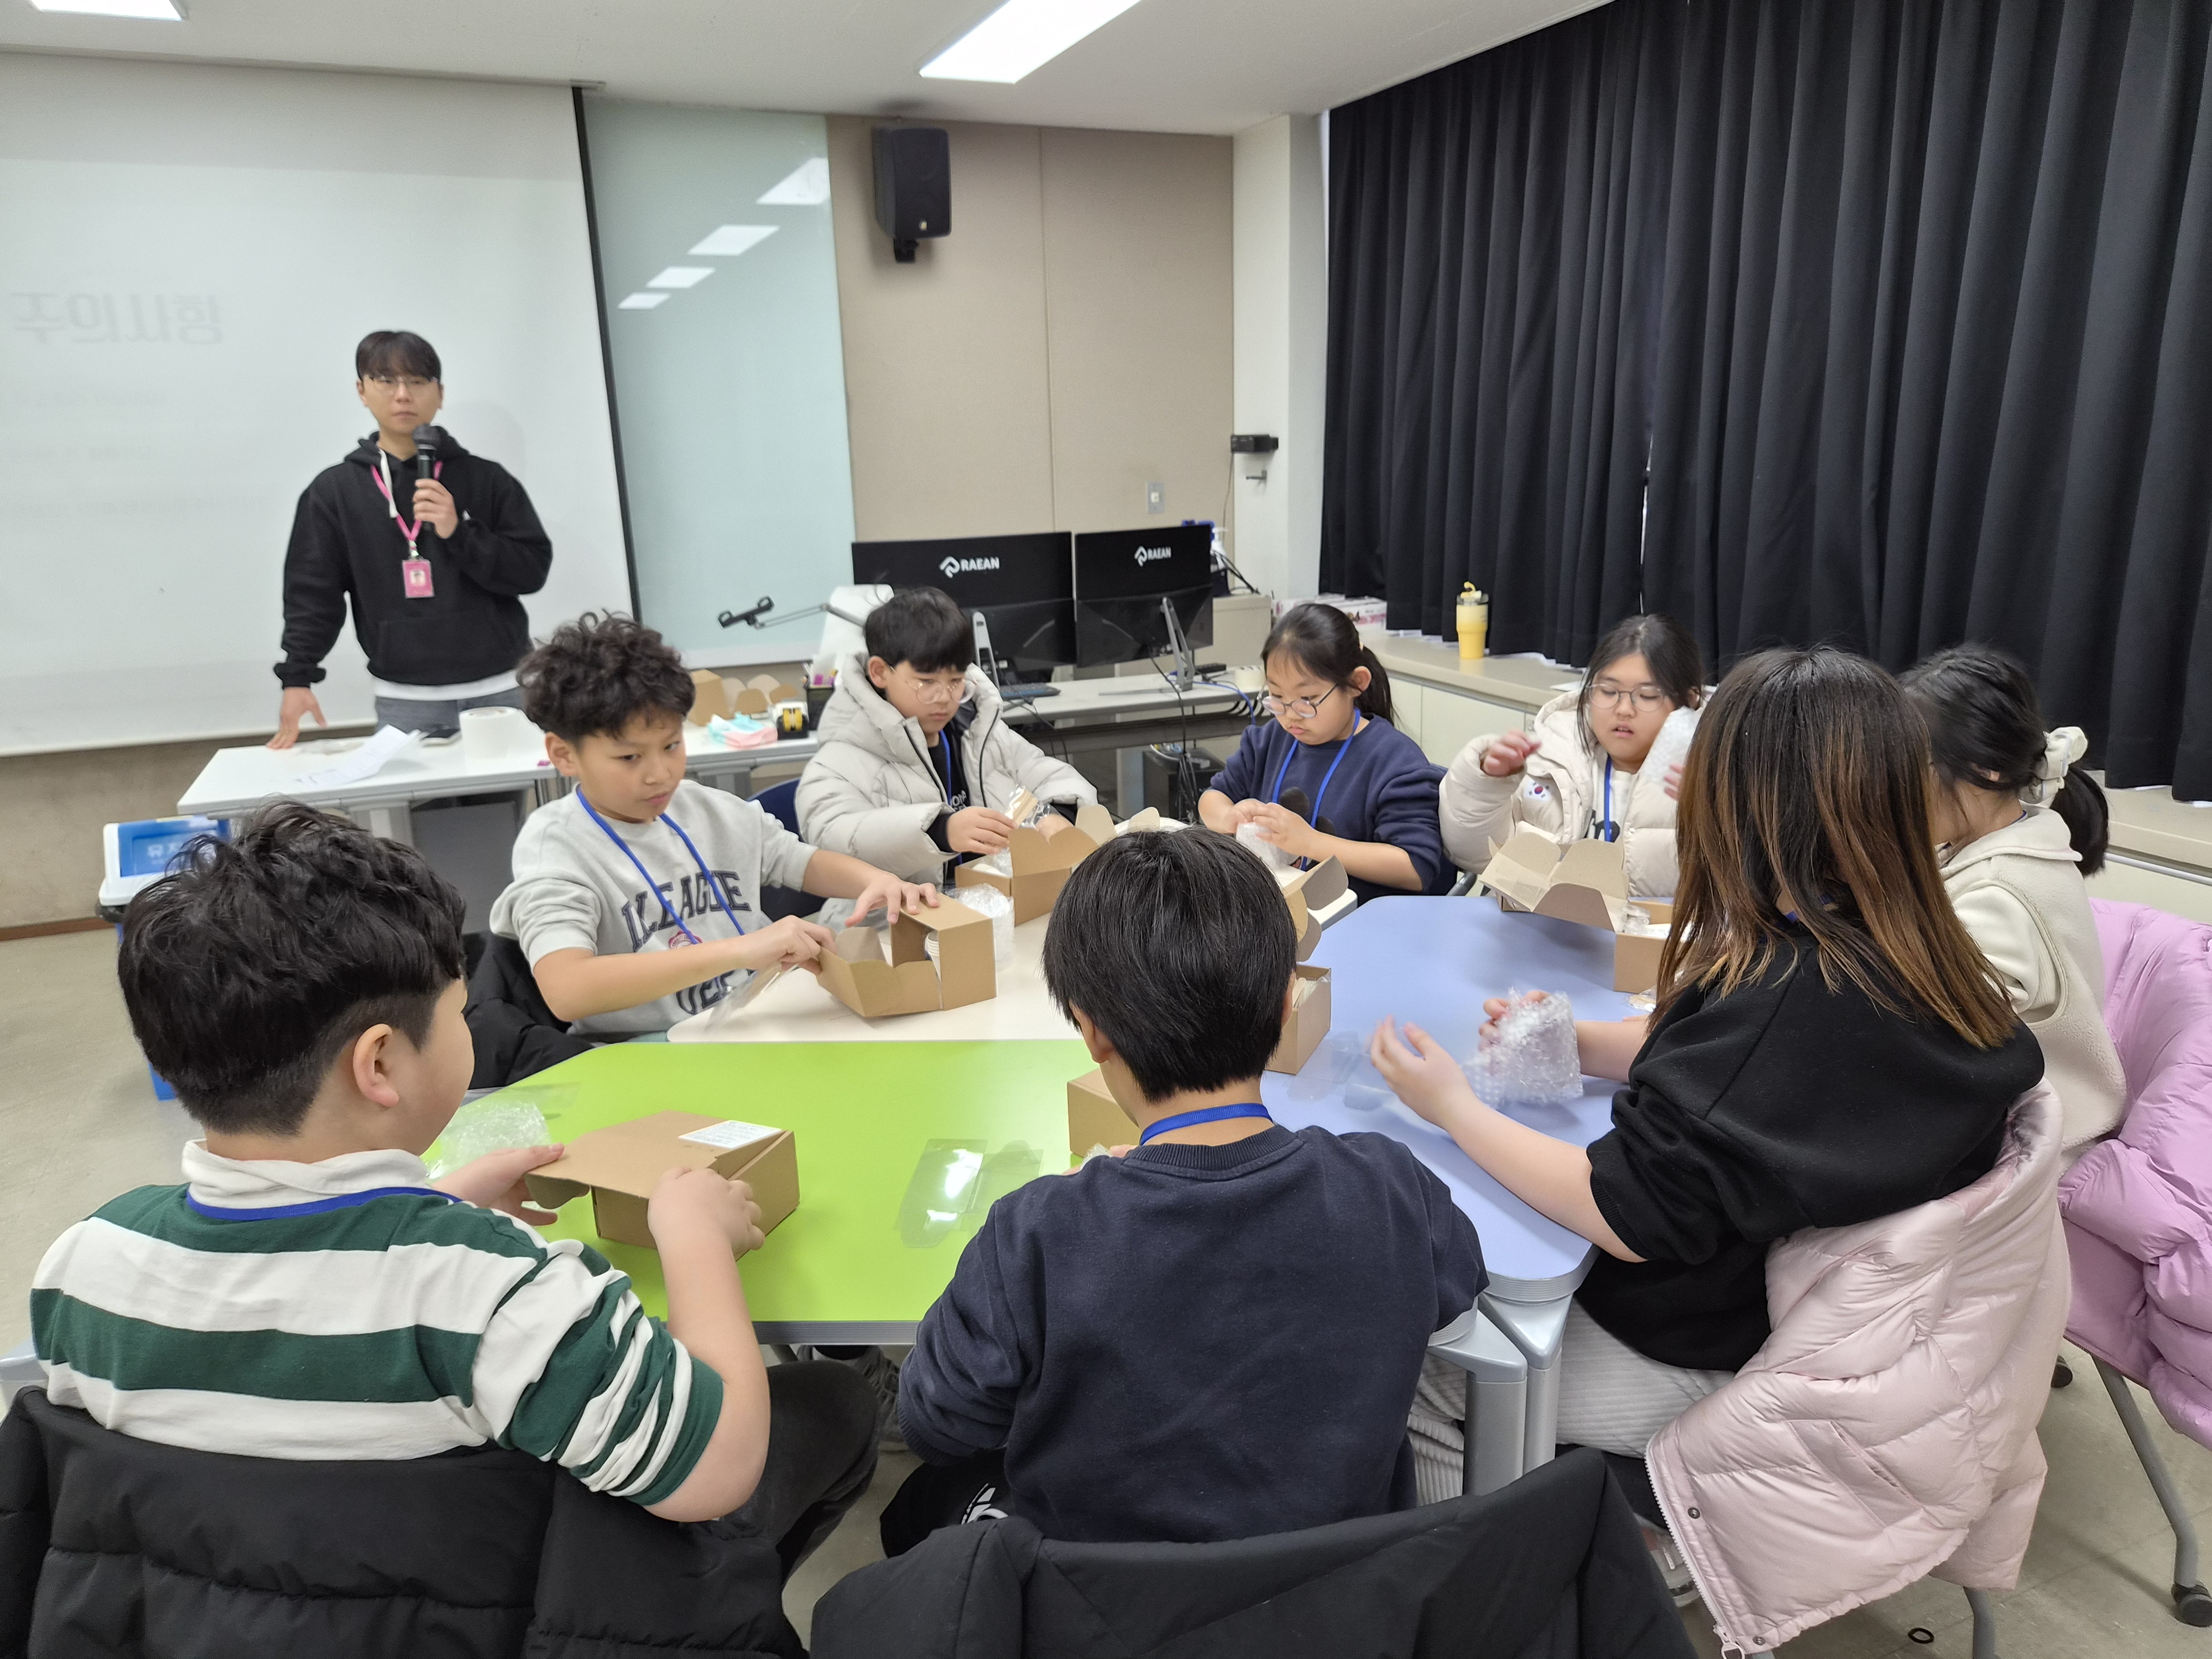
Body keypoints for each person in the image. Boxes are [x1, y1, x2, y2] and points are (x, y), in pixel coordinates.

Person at [33, 803, 877, 1579]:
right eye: (459, 1012)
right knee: (834, 1404)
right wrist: (695, 1239)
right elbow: (717, 1470)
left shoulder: (83, 1261)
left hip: (224, 1600)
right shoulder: (493, 1288)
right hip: (476, 1603)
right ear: (380, 1064)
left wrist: (442, 1207)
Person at [1369, 646, 2041, 1480]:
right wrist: (1579, 1042)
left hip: (1729, 1358)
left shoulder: (1797, 996)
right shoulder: (1903, 942)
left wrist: (1452, 1107)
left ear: (1741, 808)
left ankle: (1521, 1554)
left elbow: (1623, 1214)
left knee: (1410, 1367)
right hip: (1864, 1335)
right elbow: (1739, 1071)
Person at [884, 827, 1486, 1550]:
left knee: (915, 1511)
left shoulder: (1036, 1234)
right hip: (1340, 1586)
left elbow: (935, 1423)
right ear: (1287, 1004)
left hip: (1098, 1594)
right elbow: (1457, 1285)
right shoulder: (1392, 1189)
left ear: (1090, 1030)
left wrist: (1070, 1205)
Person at [489, 613, 936, 1037]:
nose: (660, 774)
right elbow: (567, 990)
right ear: (564, 755)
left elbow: (796, 861)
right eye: (629, 757)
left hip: (755, 1017)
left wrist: (875, 880)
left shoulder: (705, 808)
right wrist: (742, 950)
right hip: (645, 1047)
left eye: (671, 746)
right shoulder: (557, 846)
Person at [270, 330, 554, 746]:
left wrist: (459, 532)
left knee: (513, 792)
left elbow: (530, 573)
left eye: (418, 381)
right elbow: (313, 593)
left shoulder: (487, 479)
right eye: (387, 381)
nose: (403, 395)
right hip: (405, 699)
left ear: (440, 394)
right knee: (412, 793)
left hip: (501, 689)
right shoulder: (334, 493)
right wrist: (298, 676)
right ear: (362, 391)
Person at [1901, 644, 2126, 1156]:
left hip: (2030, 1147)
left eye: (1910, 765)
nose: (1895, 786)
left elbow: (1928, 1044)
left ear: (1988, 771)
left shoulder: (1999, 897)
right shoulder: (2011, 837)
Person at [796, 586, 1097, 893]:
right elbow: (834, 837)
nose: (945, 698)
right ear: (879, 672)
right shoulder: (841, 756)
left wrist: (1054, 816)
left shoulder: (975, 731)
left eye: (956, 681)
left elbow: (1046, 778)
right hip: (893, 915)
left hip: (993, 904)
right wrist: (941, 830)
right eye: (927, 682)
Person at [1197, 602, 1450, 904]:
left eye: (1307, 699)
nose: (1290, 715)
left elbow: (1415, 867)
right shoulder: (1270, 739)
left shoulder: (1393, 759)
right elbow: (1213, 796)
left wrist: (1312, 843)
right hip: (1271, 913)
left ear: (1356, 683)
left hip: (1356, 921)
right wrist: (1229, 816)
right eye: (1277, 696)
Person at [1437, 614, 1705, 896]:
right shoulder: (1552, 755)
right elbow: (1471, 853)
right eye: (1608, 691)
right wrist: (1487, 785)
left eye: (1647, 695)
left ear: (1688, 702)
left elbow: (1728, 891)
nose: (1624, 709)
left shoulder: (1708, 776)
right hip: (1534, 921)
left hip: (1646, 926)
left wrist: (1711, 814)